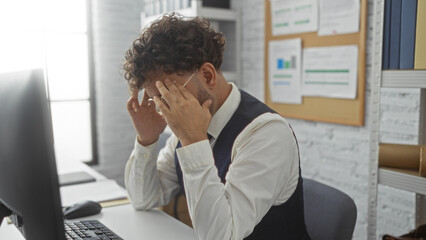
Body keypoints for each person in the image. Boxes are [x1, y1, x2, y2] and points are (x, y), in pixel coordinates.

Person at [123, 13, 310, 240]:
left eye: (168, 95)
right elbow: (143, 199)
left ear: (207, 75)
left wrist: (194, 141)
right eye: (158, 100)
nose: (163, 109)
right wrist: (147, 139)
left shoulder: (266, 133)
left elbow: (221, 236)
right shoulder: (183, 129)